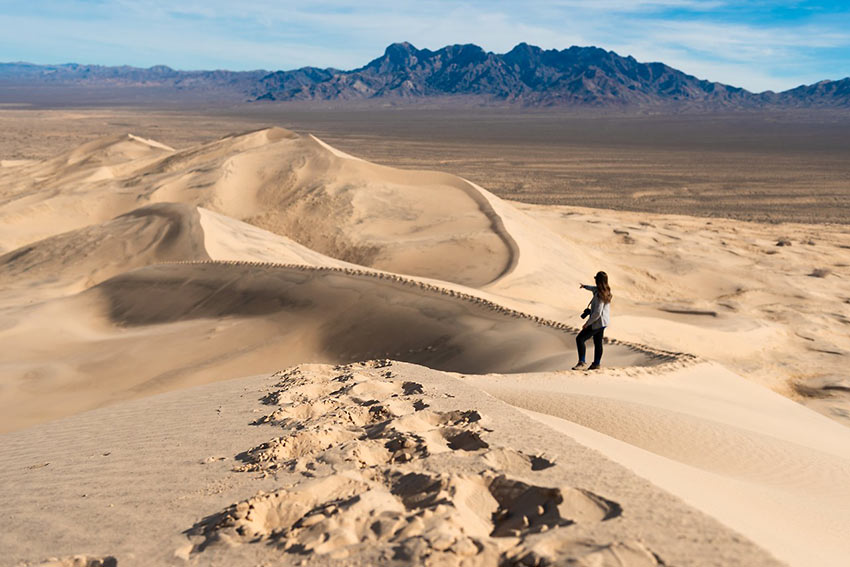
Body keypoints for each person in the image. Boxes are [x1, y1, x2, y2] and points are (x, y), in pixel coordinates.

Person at [573, 271, 612, 370]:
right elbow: (592, 288)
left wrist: (587, 323)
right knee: (598, 342)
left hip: (597, 322)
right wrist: (585, 286)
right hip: (604, 322)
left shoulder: (600, 295)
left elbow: (597, 313)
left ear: (598, 281)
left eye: (595, 279)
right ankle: (596, 364)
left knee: (580, 339)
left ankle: (581, 362)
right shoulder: (606, 291)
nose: (594, 280)